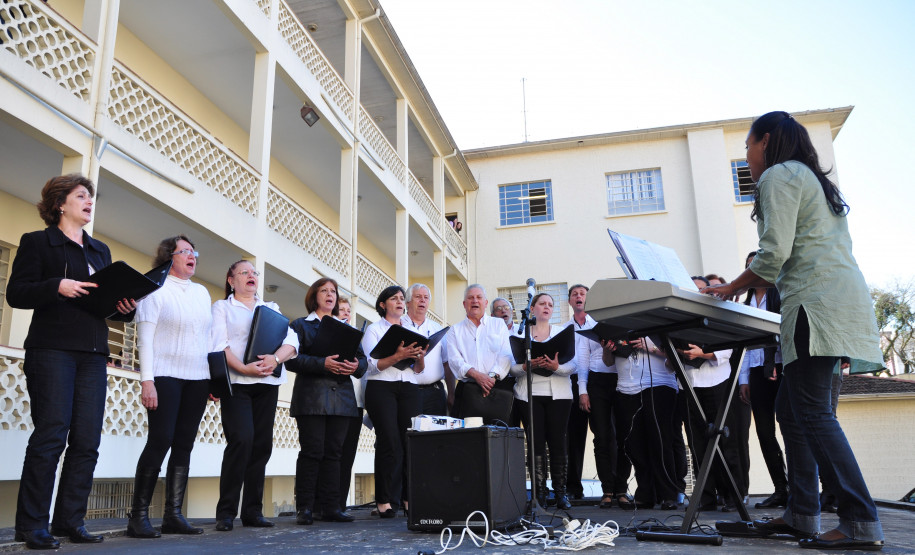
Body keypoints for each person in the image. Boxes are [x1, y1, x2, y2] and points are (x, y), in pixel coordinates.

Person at [704, 111, 884, 550]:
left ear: (765, 141)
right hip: (835, 301)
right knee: (792, 408)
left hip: (813, 306)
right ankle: (802, 515)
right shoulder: (812, 179)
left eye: (747, 146)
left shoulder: (779, 175)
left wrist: (729, 287)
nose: (746, 157)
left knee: (814, 414)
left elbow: (772, 255)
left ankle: (860, 520)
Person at [7, 174, 136, 549]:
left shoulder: (100, 251)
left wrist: (124, 308)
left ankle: (69, 521)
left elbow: (108, 305)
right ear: (60, 203)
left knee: (86, 440)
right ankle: (32, 526)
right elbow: (16, 293)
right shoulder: (38, 242)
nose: (89, 201)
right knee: (51, 436)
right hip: (52, 351)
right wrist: (56, 286)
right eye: (81, 195)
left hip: (94, 354)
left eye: (91, 196)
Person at [127, 236, 212, 538]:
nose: (192, 256)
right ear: (168, 257)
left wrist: (213, 378)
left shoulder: (202, 293)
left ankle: (173, 515)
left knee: (185, 443)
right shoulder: (154, 289)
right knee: (161, 439)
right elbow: (145, 339)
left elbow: (207, 338)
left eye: (194, 251)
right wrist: (146, 380)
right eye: (185, 251)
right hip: (164, 375)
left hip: (198, 378)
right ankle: (137, 517)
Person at [210, 260, 297, 531]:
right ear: (231, 280)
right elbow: (219, 344)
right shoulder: (222, 307)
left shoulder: (271, 309)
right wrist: (244, 367)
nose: (251, 276)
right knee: (241, 440)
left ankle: (252, 511)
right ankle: (226, 512)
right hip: (237, 382)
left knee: (261, 445)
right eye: (244, 272)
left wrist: (275, 358)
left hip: (267, 384)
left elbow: (292, 341)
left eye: (254, 273)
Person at [286, 278, 367, 525]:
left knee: (335, 453)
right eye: (324, 290)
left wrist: (355, 365)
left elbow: (362, 364)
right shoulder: (300, 325)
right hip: (311, 397)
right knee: (312, 452)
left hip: (342, 399)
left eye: (333, 291)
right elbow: (291, 360)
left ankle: (332, 507)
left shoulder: (348, 329)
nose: (330, 294)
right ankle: (305, 508)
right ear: (314, 296)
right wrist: (323, 363)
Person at [361, 285, 425, 518]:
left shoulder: (411, 329)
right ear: (382, 304)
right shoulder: (374, 330)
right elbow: (371, 365)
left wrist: (420, 357)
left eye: (401, 298)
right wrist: (398, 356)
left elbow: (418, 370)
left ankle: (409, 499)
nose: (400, 302)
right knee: (389, 442)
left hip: (409, 387)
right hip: (381, 388)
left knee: (410, 443)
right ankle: (384, 500)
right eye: (394, 298)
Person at [510, 293, 576, 509]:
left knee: (558, 442)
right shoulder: (520, 333)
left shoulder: (562, 332)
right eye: (542, 303)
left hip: (559, 395)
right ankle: (539, 494)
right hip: (529, 395)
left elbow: (574, 365)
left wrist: (556, 367)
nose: (546, 307)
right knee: (535, 443)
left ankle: (561, 494)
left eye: (550, 304)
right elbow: (510, 367)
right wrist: (526, 366)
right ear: (532, 309)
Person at [565, 284, 629, 509]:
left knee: (624, 437)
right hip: (596, 384)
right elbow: (582, 361)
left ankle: (622, 489)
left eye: (584, 294)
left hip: (623, 382)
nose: (580, 297)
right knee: (602, 437)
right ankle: (607, 491)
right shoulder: (586, 329)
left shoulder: (613, 321)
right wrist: (583, 391)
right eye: (576, 294)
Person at [738, 251, 789, 510]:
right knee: (764, 432)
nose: (752, 271)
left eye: (756, 266)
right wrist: (743, 379)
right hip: (757, 371)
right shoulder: (746, 303)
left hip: (781, 366)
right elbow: (746, 345)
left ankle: (808, 488)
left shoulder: (778, 293)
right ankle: (781, 488)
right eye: (748, 267)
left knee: (791, 427)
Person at [605, 336, 679, 510]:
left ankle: (668, 494)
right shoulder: (617, 327)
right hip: (626, 388)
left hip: (658, 385)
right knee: (634, 445)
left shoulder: (656, 324)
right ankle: (646, 494)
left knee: (660, 442)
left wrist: (651, 347)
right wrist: (607, 348)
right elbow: (608, 362)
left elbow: (675, 360)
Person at [446, 285, 513, 422]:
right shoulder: (455, 330)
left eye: (479, 297)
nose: (475, 301)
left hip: (497, 388)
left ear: (486, 303)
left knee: (499, 437)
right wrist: (476, 375)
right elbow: (454, 360)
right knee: (468, 438)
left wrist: (490, 378)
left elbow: (506, 355)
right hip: (467, 390)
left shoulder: (499, 324)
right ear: (464, 304)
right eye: (470, 298)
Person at [334, 296, 364, 513]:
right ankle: (323, 503)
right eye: (340, 310)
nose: (345, 313)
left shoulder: (356, 338)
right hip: (333, 402)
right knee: (331, 454)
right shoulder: (328, 335)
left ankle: (340, 503)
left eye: (347, 310)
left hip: (355, 403)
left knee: (347, 456)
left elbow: (363, 364)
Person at [402, 284, 448, 416]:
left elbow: (446, 363)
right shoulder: (399, 325)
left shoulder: (438, 328)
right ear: (408, 302)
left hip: (434, 393)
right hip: (407, 391)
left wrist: (451, 393)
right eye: (418, 297)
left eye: (426, 297)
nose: (423, 300)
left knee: (434, 435)